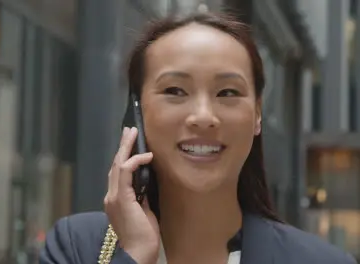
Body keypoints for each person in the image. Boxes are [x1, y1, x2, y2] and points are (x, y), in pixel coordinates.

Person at [39, 11, 357, 264]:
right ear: (136, 113)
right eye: (175, 91)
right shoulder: (76, 247)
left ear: (257, 114)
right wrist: (134, 254)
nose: (204, 116)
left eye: (228, 92)